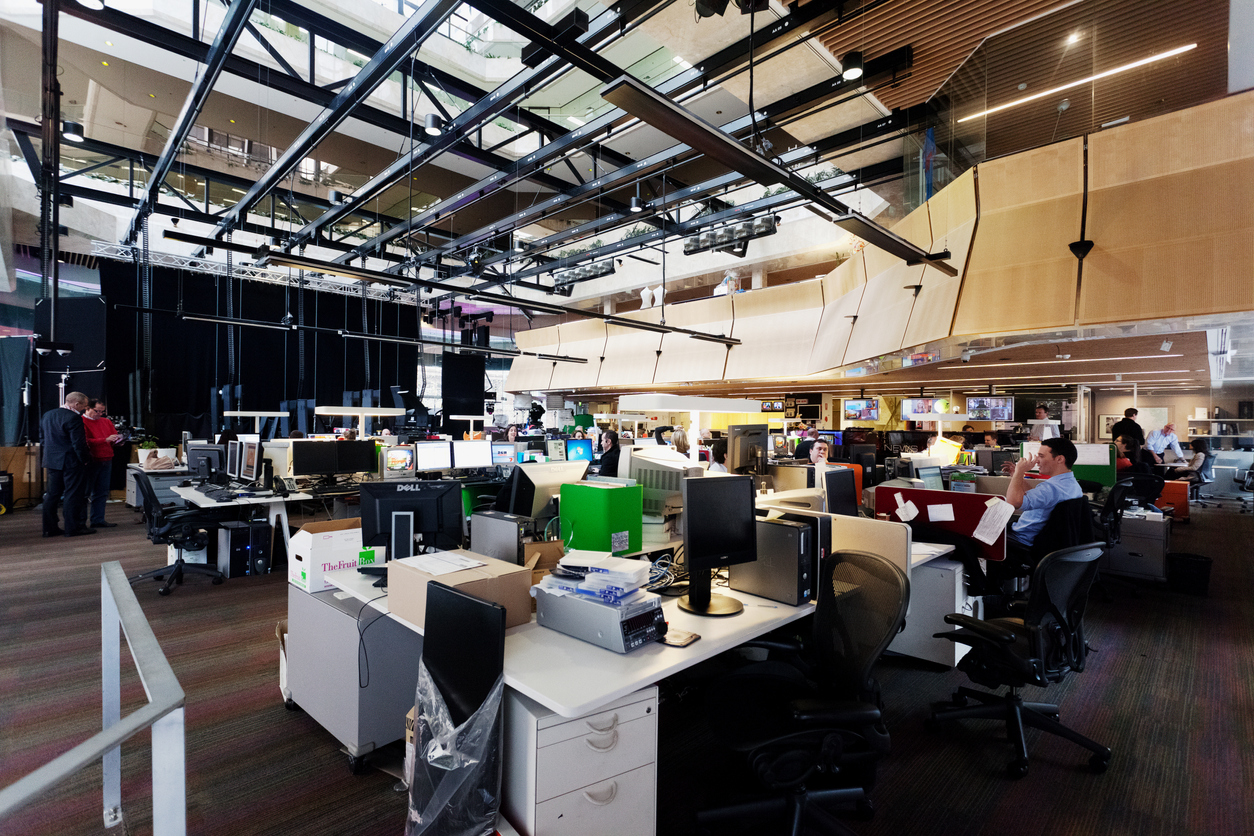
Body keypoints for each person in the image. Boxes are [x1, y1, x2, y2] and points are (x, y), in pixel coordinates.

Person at [41, 391, 95, 538]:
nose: (84, 409)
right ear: (76, 404)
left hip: (51, 460)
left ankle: (49, 529)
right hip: (71, 461)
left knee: (52, 495)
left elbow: (43, 439)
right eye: (83, 406)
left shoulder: (48, 415)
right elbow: (78, 443)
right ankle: (73, 528)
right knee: (73, 494)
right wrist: (85, 459)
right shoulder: (74, 418)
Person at [82, 399, 122, 529]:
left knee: (102, 492)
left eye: (102, 411)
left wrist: (118, 440)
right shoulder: (81, 421)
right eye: (96, 411)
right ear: (87, 408)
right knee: (85, 492)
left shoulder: (106, 421)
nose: (99, 414)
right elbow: (84, 441)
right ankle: (80, 522)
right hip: (92, 460)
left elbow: (113, 436)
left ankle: (98, 519)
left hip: (107, 458)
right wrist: (104, 440)